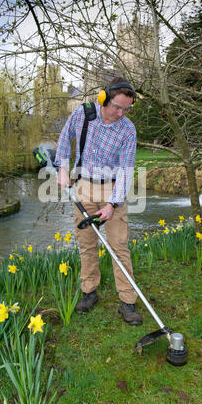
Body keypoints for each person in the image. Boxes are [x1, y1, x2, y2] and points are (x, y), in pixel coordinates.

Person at [54, 77, 142, 325]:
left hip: (113, 189)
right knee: (87, 244)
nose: (120, 113)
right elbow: (64, 139)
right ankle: (89, 292)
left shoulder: (127, 130)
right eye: (116, 106)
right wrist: (62, 168)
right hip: (83, 186)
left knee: (119, 247)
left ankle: (127, 302)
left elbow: (126, 170)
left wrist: (112, 204)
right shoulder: (83, 114)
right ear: (104, 98)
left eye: (126, 108)